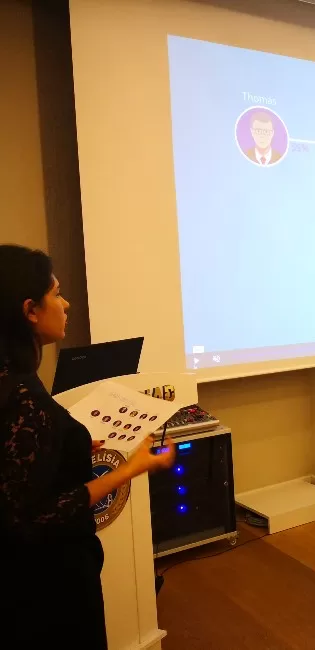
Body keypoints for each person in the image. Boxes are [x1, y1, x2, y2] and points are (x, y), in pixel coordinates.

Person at [0, 244, 176, 648]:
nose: (66, 304)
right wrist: (132, 468)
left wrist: (69, 447)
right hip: (49, 584)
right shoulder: (25, 399)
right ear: (30, 310)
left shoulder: (9, 382)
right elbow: (35, 515)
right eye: (57, 293)